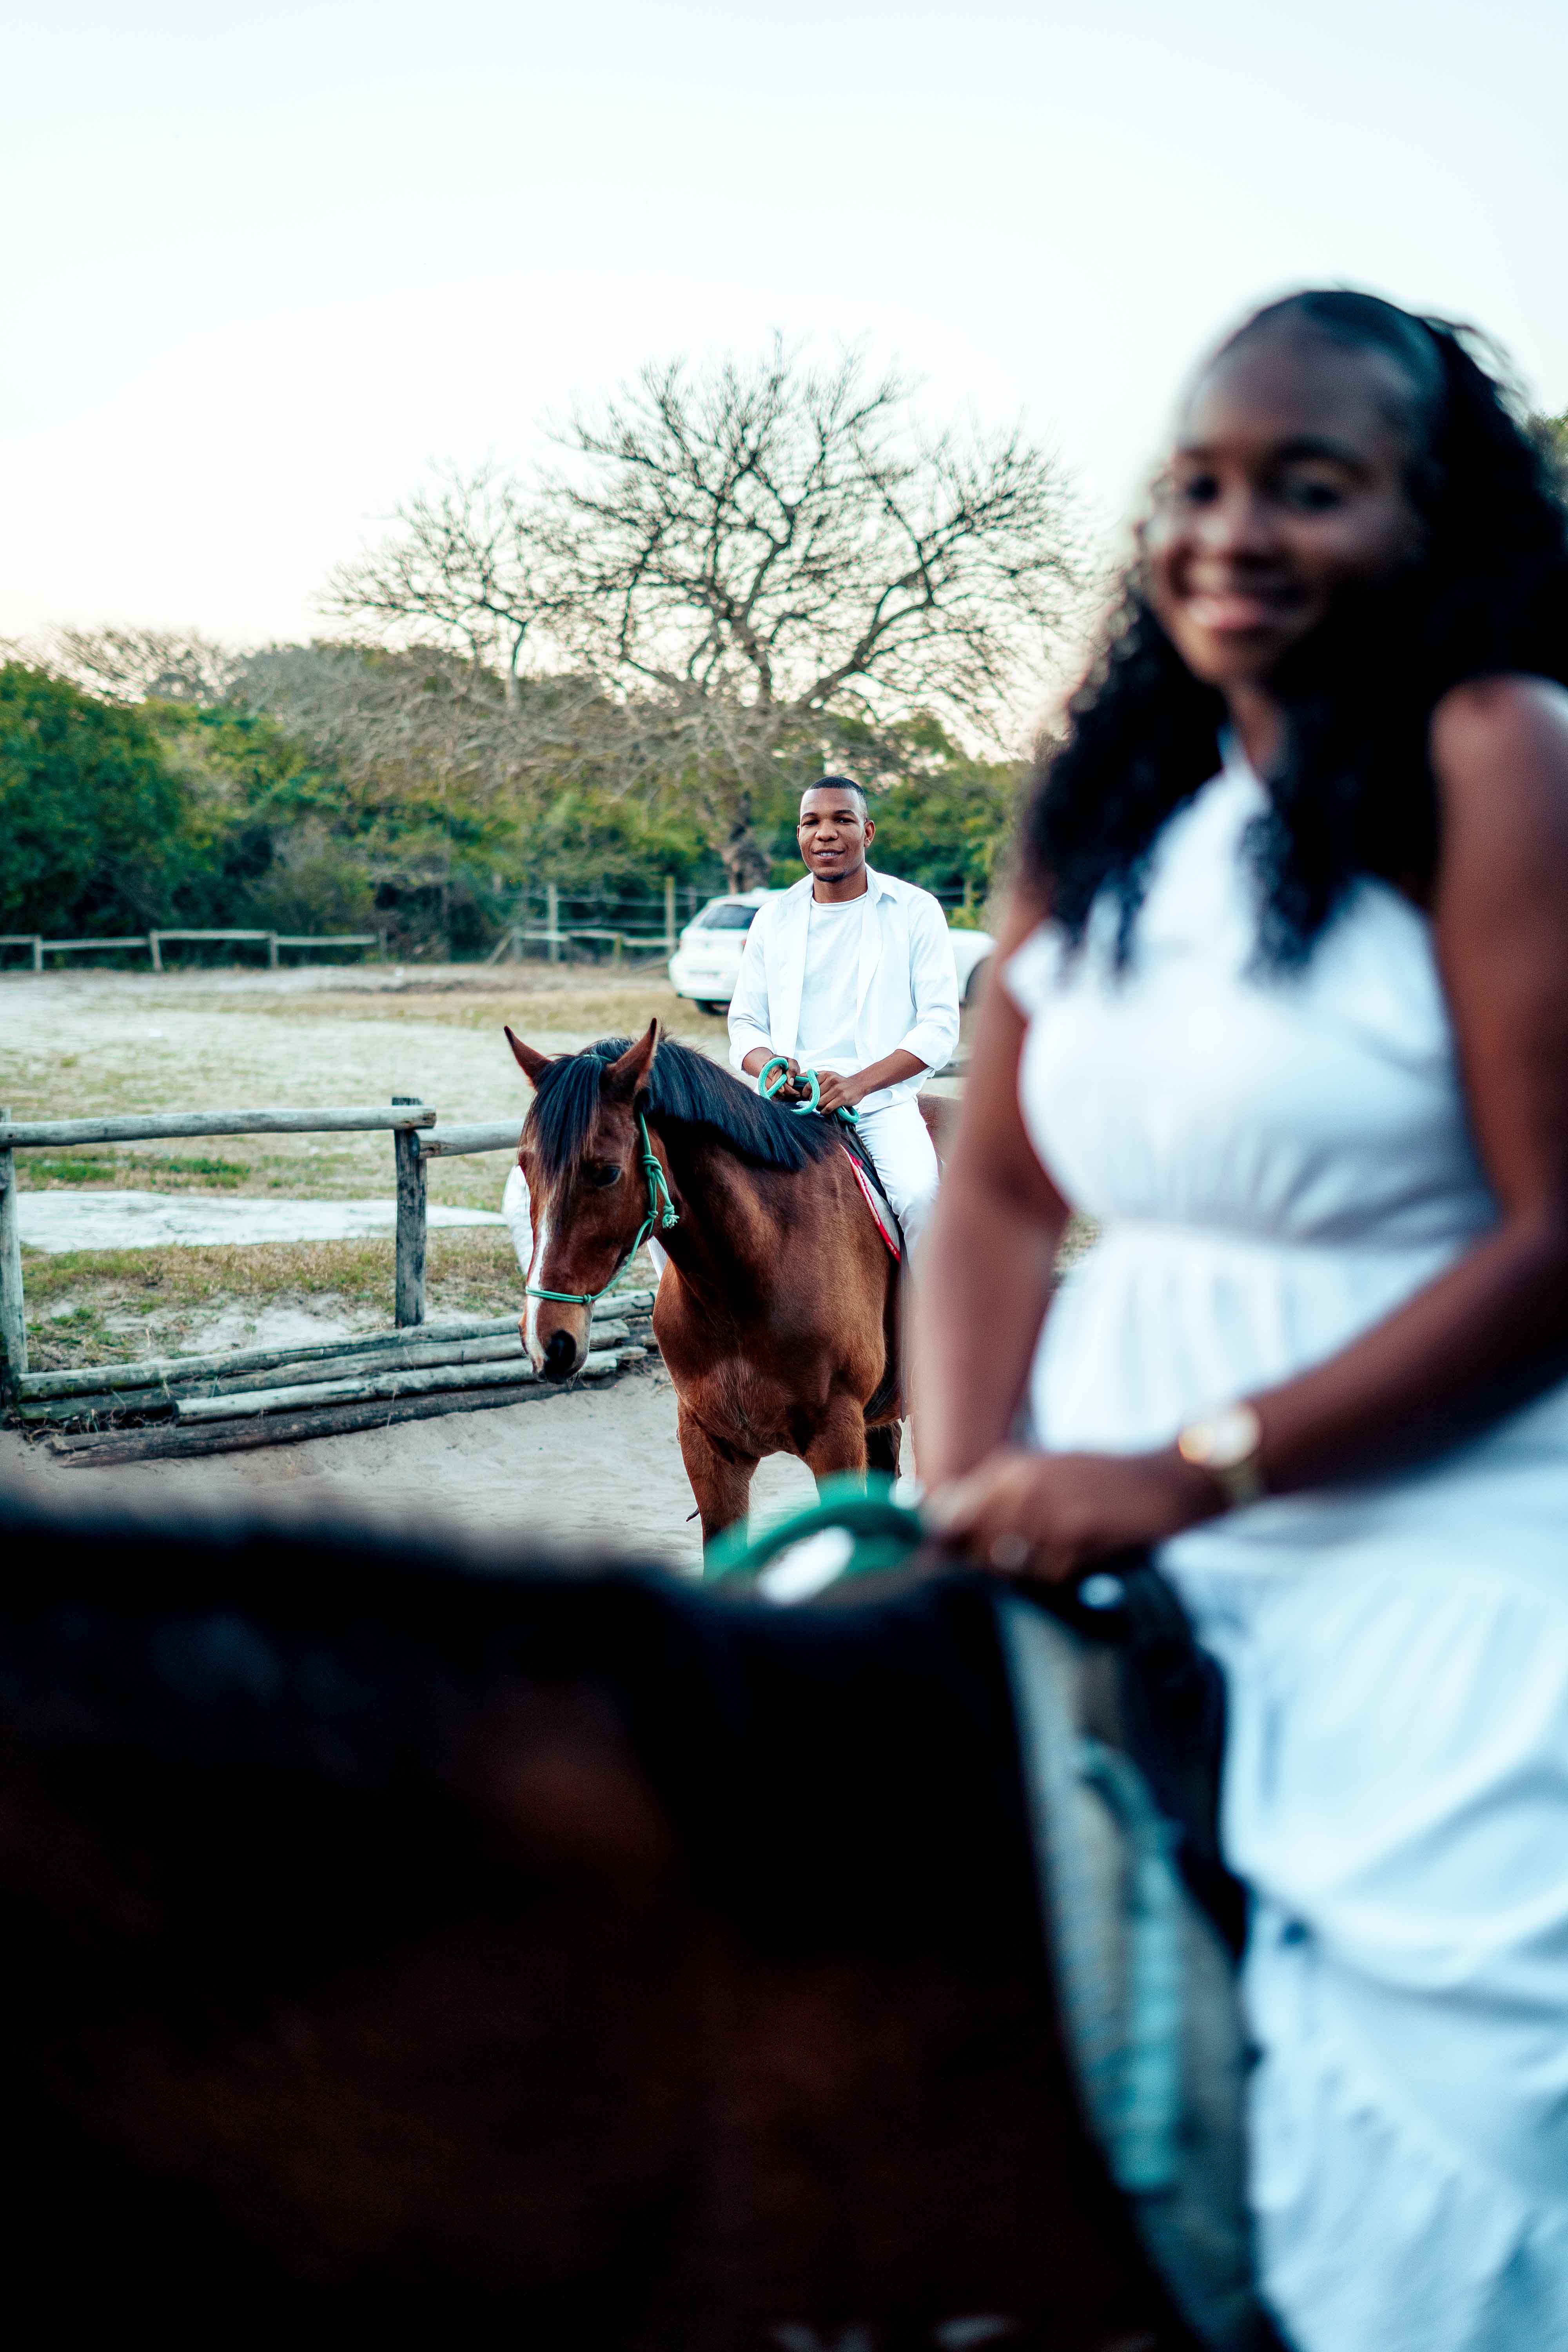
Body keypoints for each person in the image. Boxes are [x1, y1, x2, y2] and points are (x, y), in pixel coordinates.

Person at [913, 291, 1568, 2352]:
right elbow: (1002, 1186)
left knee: (1453, 2133)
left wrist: (1193, 1473)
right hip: (1093, 1521)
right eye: (1196, 482)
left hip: (1438, 1542)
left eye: (1310, 485)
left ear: (1429, 518)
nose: (1233, 531)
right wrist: (968, 1487)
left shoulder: (1499, 756)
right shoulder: (1099, 813)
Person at [728, 776, 959, 1252]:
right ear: (799, 835)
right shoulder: (773, 917)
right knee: (683, 1198)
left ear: (867, 832)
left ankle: (925, 1326)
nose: (825, 833)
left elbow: (939, 1027)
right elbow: (744, 1023)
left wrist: (859, 1083)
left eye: (842, 820)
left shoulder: (915, 910)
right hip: (782, 1107)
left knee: (921, 1200)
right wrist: (770, 1065)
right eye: (811, 822)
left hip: (879, 1105)